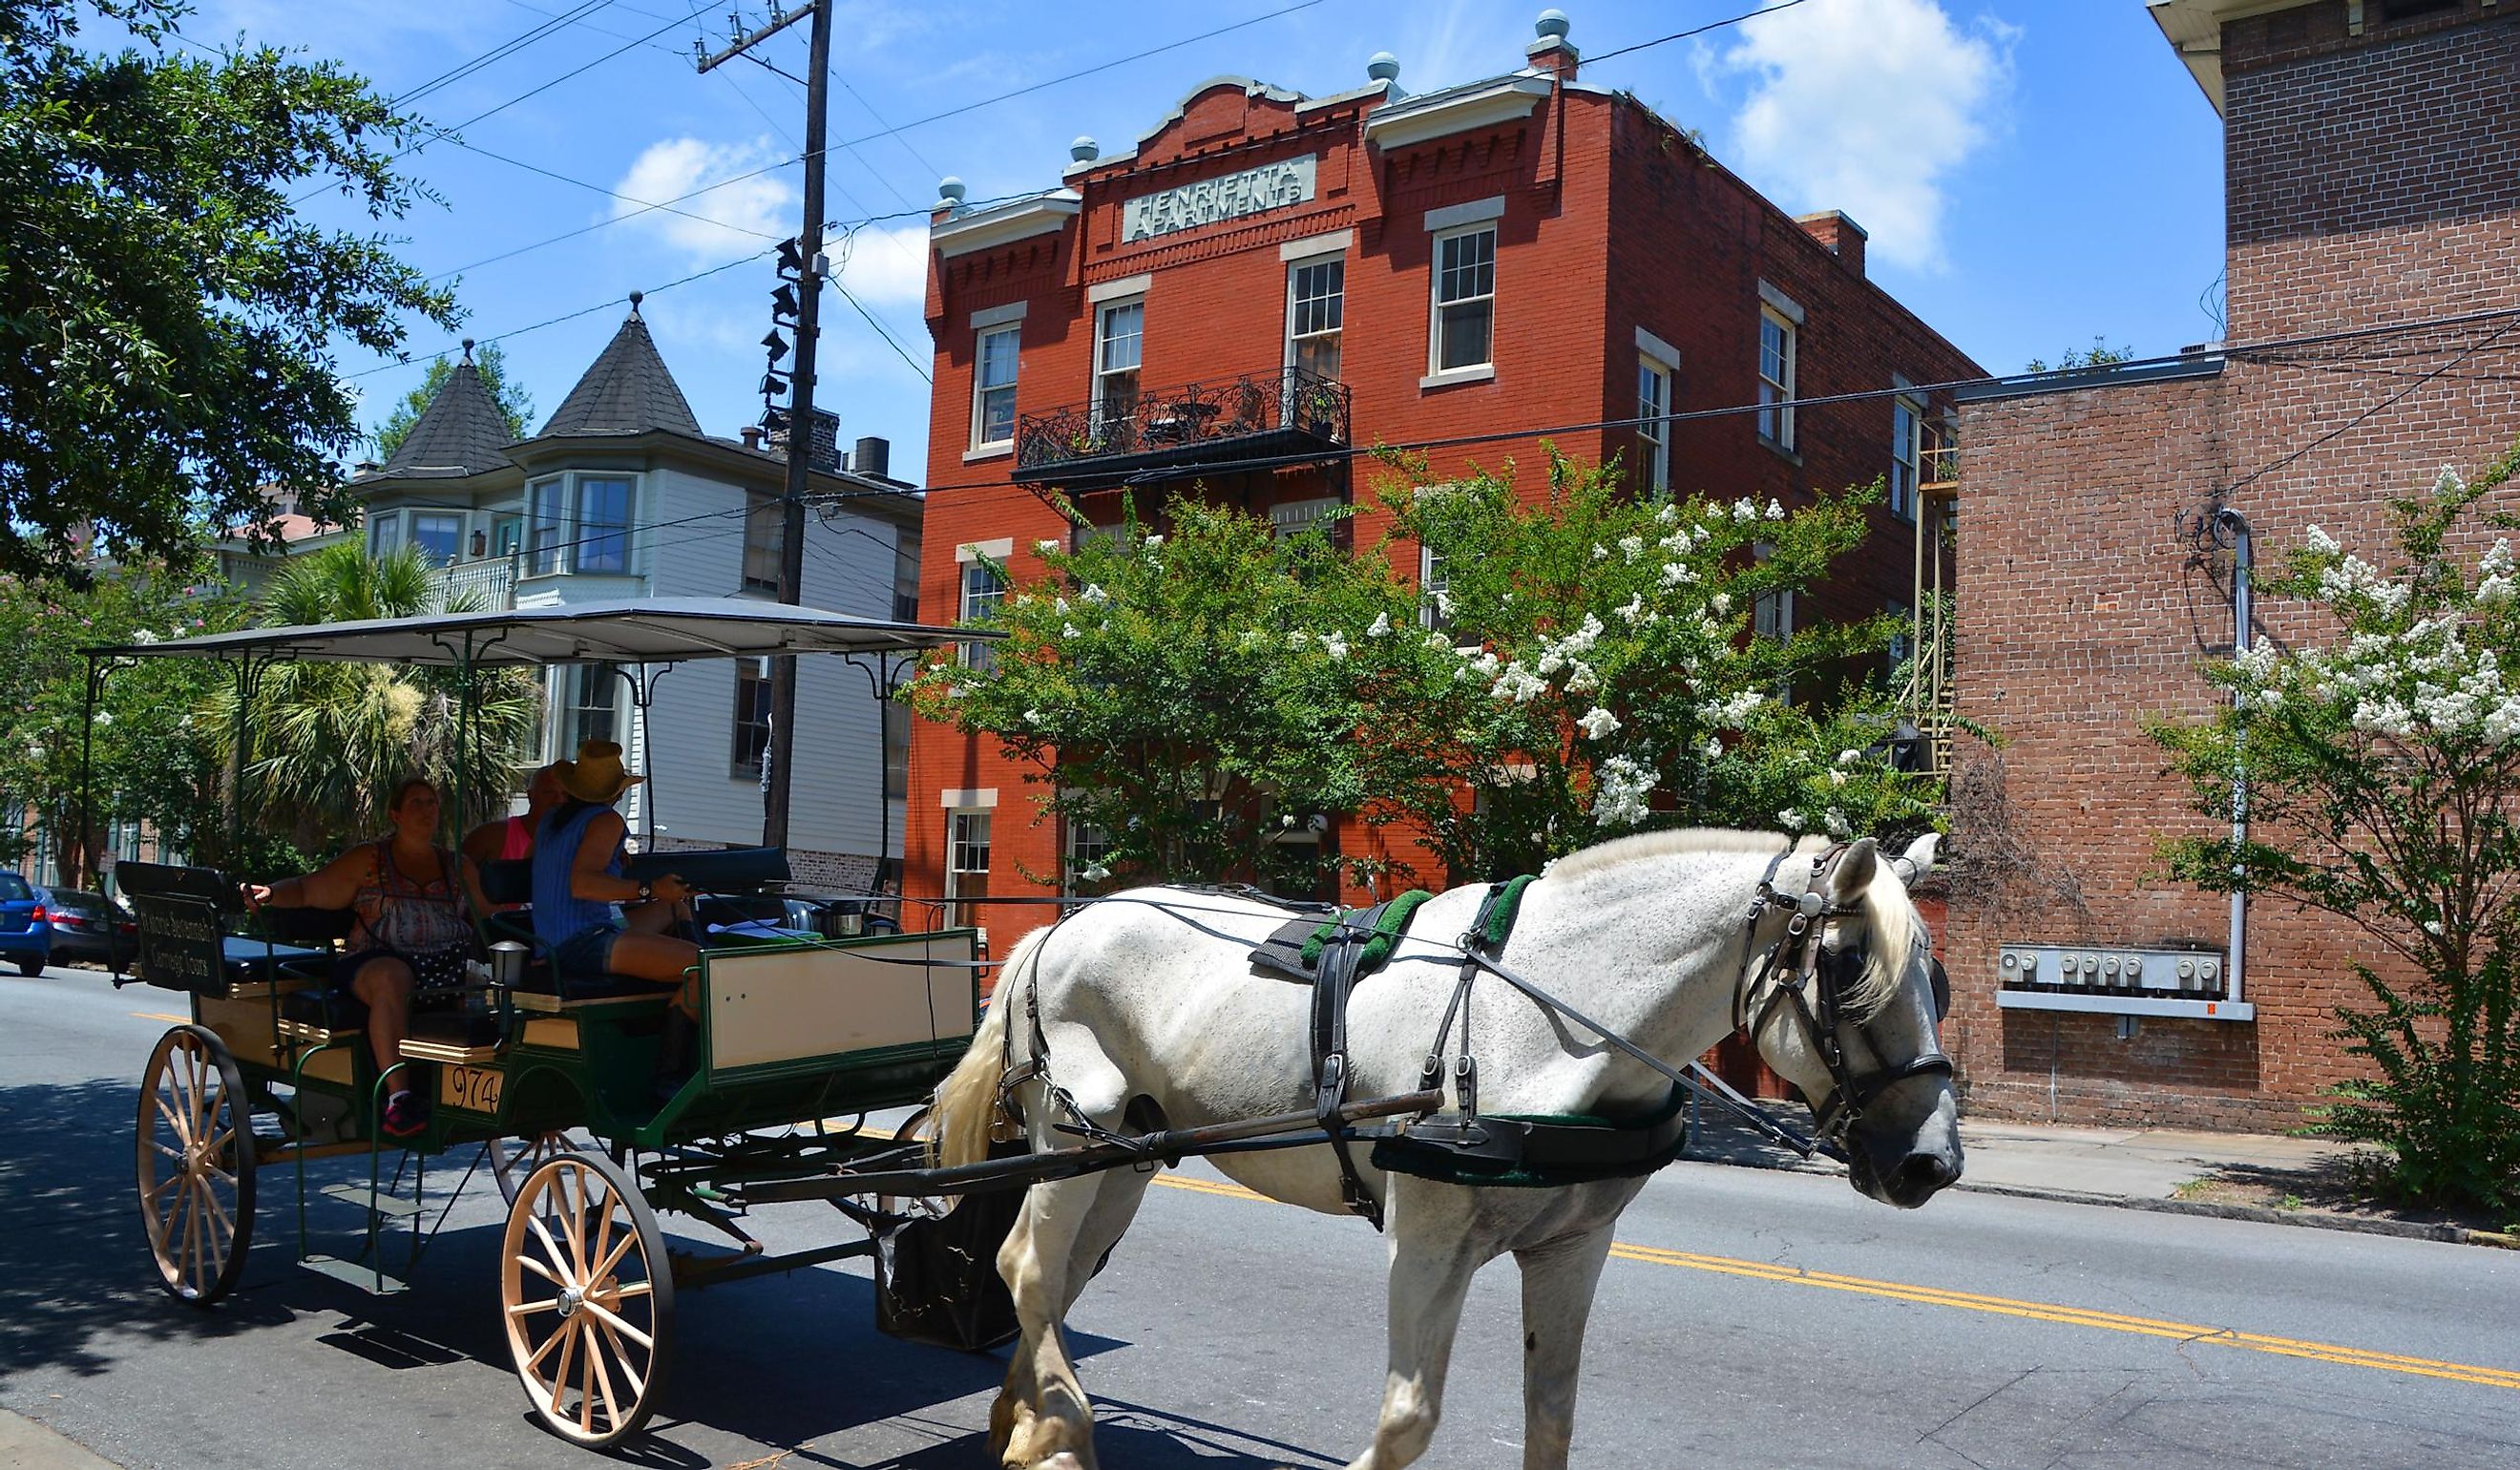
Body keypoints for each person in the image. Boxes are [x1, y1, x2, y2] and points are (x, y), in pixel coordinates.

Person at [243, 777, 488, 1140]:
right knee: (394, 977)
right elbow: (310, 888)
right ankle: (399, 1099)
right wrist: (271, 894)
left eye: (432, 803)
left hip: (446, 967)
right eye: (417, 803)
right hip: (375, 962)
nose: (427, 810)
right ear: (396, 814)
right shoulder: (369, 859)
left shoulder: (460, 866)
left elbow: (488, 917)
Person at [531, 741, 700, 1072]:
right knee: (705, 969)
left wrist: (617, 863)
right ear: (616, 792)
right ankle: (670, 1071)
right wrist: (651, 888)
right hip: (583, 942)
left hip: (554, 941)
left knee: (677, 906)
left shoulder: (551, 821)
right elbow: (582, 884)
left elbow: (566, 868)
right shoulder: (606, 821)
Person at [462, 762, 565, 868]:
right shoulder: (492, 836)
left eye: (566, 795)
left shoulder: (576, 842)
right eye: (549, 792)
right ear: (530, 796)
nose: (560, 800)